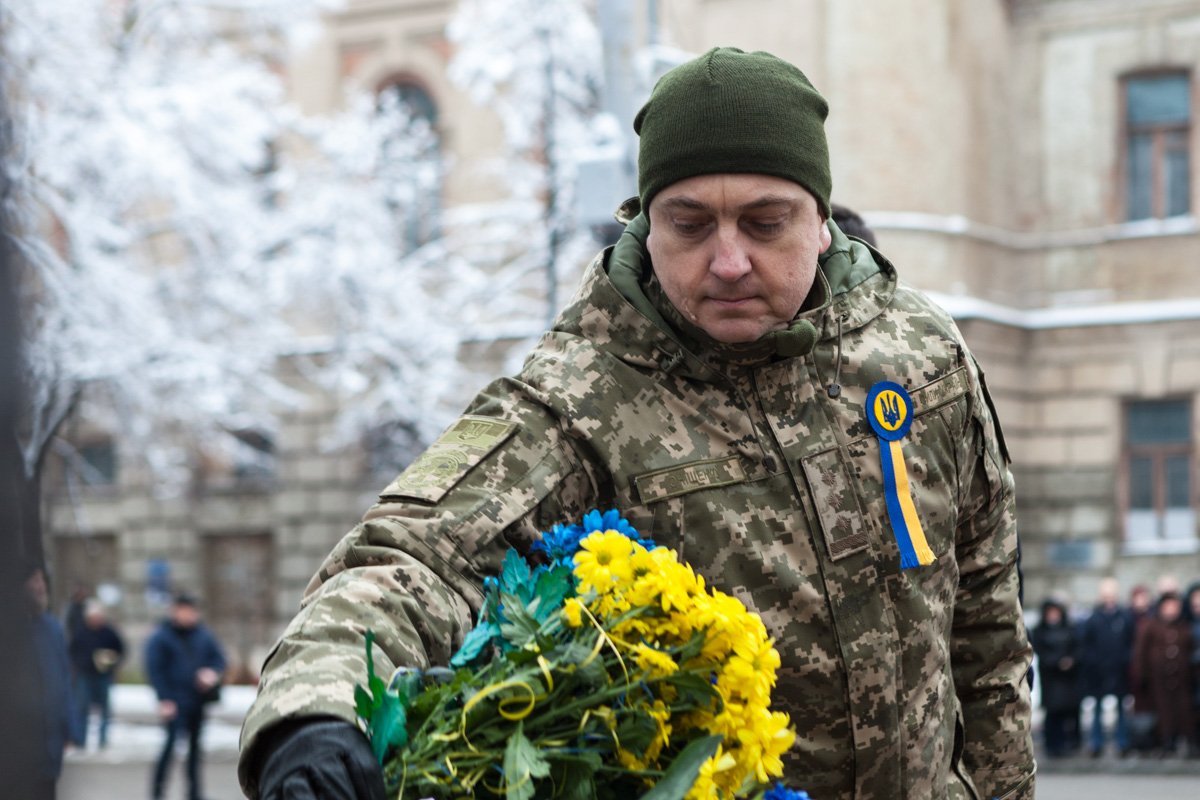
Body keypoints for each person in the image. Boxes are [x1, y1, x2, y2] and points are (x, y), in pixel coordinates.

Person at [238, 46, 1034, 800]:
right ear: (646, 227)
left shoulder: (922, 357)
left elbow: (988, 639)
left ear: (820, 221)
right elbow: (406, 564)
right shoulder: (581, 397)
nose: (727, 261)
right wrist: (314, 717)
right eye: (690, 225)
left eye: (765, 223)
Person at [145, 593, 227, 800]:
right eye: (185, 611)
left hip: (197, 701)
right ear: (175, 611)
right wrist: (164, 699)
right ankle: (157, 792)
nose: (189, 615)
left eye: (192, 611)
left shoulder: (203, 634)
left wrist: (211, 673)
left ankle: (194, 793)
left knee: (195, 750)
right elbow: (156, 670)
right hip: (174, 702)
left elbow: (219, 659)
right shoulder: (161, 637)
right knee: (170, 747)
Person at [25, 562, 75, 800]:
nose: (40, 587)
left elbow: (63, 680)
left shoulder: (52, 628)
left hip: (50, 746)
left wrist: (68, 728)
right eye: (33, 580)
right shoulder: (12, 630)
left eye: (42, 580)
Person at [1131, 591, 1195, 757]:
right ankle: (1165, 742)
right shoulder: (1151, 627)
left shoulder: (1184, 627)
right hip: (1157, 681)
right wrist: (1142, 675)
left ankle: (1183, 741)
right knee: (1162, 713)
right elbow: (1140, 653)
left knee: (1183, 712)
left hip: (1181, 680)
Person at [1078, 576, 1133, 757]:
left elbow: (1130, 642)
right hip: (1098, 672)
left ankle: (1122, 743)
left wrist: (1124, 660)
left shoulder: (1124, 617)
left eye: (1111, 594)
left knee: (1121, 709)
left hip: (1119, 670)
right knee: (1098, 708)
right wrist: (1095, 662)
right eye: (1105, 594)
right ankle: (1096, 744)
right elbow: (1087, 645)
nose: (1109, 598)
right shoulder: (1093, 619)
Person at [68, 598, 125, 749]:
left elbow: (120, 650)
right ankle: (80, 739)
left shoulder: (109, 633)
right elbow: (71, 651)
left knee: (105, 710)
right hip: (85, 675)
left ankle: (102, 740)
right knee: (82, 708)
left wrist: (112, 662)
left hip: (103, 675)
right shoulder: (81, 632)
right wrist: (78, 665)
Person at [1031, 598, 1080, 758]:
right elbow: (1040, 653)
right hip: (1051, 679)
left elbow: (1077, 649)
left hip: (1067, 680)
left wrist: (1069, 661)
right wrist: (1056, 662)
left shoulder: (1069, 629)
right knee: (1052, 714)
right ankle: (1052, 745)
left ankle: (1067, 744)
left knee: (1068, 713)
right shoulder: (1040, 631)